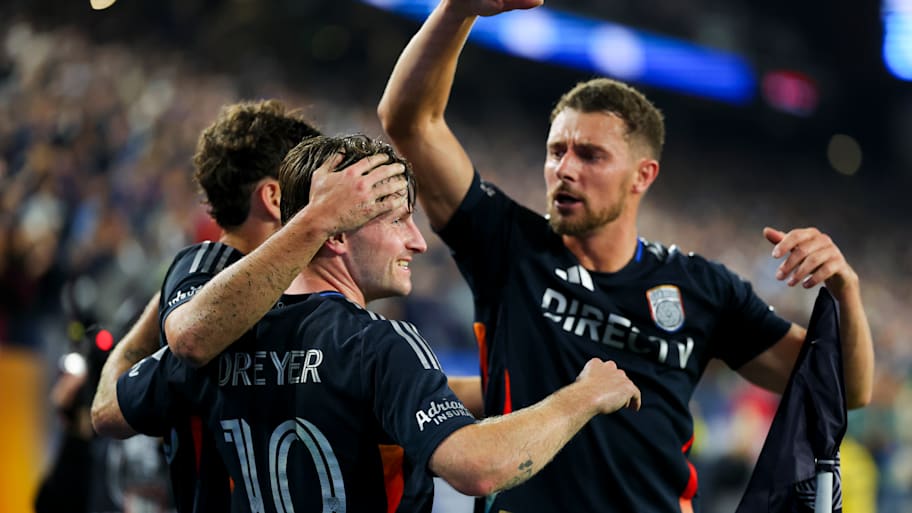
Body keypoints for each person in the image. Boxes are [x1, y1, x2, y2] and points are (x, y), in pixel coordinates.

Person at [375, 1, 875, 511]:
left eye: (590, 155)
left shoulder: (702, 287)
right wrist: (458, 10)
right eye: (556, 151)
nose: (565, 169)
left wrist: (845, 290)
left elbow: (845, 390)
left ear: (642, 175)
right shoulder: (507, 244)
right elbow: (410, 122)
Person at [95, 134, 642, 513]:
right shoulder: (378, 343)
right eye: (399, 219)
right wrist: (584, 395)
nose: (418, 241)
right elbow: (477, 467)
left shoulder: (217, 345)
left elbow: (106, 413)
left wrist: (163, 303)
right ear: (336, 234)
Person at [91, 99, 408, 512]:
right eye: (315, 189)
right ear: (274, 197)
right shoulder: (209, 266)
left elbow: (382, 380)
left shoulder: (292, 302)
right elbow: (185, 342)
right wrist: (319, 218)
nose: (333, 206)